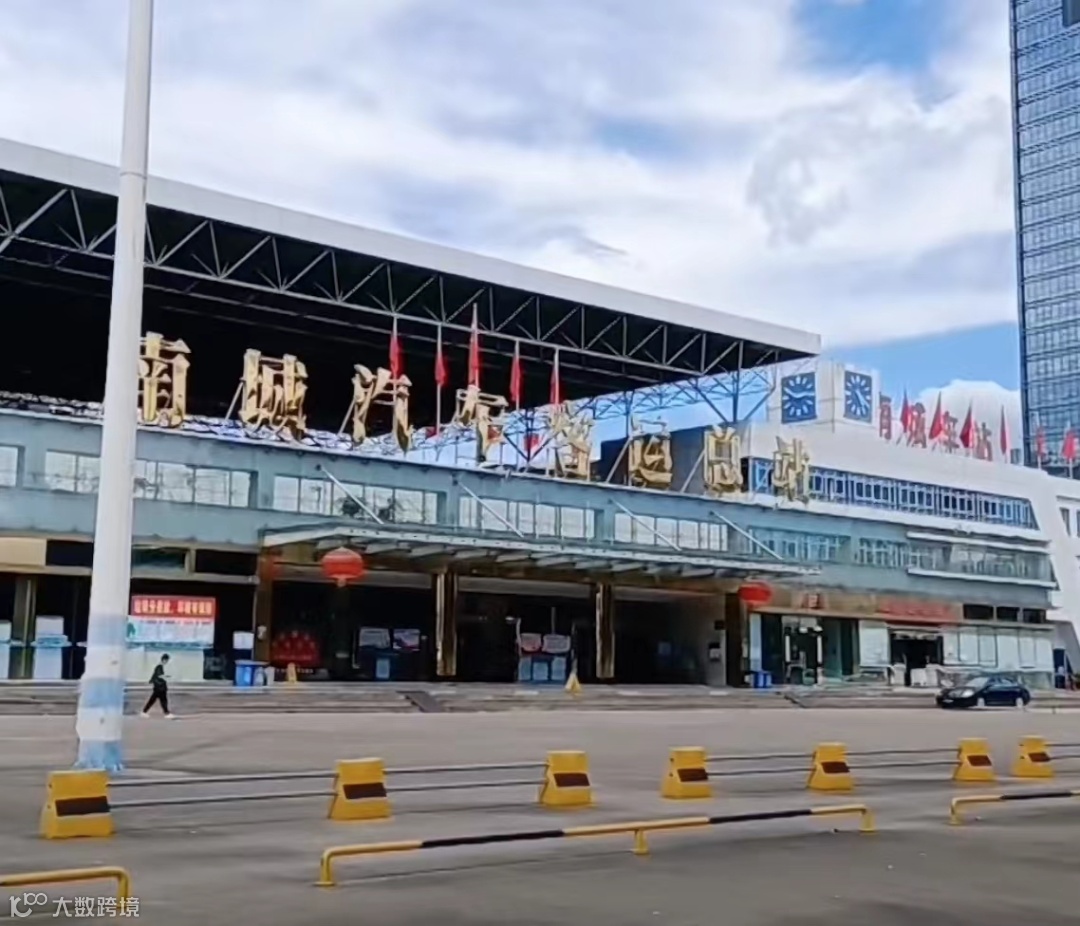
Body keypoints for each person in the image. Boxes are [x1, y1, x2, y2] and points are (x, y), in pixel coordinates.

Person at [141, 654, 174, 718]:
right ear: (164, 660)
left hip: (158, 686)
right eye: (167, 660)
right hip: (160, 687)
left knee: (155, 700)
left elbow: (156, 675)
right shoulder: (159, 667)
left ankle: (144, 712)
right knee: (163, 700)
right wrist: (167, 676)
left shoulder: (159, 666)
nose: (167, 662)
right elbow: (160, 675)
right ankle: (166, 713)